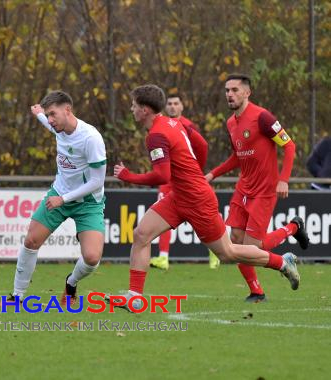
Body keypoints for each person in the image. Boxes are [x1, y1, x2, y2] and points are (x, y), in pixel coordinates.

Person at [110, 84, 300, 311]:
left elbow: (162, 175)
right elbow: (201, 144)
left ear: (145, 110)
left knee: (227, 253)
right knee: (141, 234)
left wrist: (127, 176)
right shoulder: (175, 123)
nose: (131, 109)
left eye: (133, 105)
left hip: (198, 200)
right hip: (179, 196)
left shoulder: (156, 135)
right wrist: (194, 172)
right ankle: (135, 297)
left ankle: (282, 262)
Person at [205, 73, 309, 303]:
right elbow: (237, 157)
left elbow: (289, 146)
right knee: (236, 242)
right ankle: (256, 291)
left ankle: (293, 228)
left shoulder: (262, 117)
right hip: (244, 188)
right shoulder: (231, 123)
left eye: (234, 90)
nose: (229, 94)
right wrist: (213, 174)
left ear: (247, 92)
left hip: (264, 190)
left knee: (253, 248)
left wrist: (284, 179)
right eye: (227, 90)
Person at [7, 90, 107, 306]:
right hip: (59, 194)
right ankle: (16, 297)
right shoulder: (58, 127)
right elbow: (48, 123)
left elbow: (98, 181)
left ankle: (71, 282)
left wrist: (64, 199)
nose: (50, 121)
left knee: (91, 258)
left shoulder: (91, 138)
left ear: (68, 110)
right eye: (48, 116)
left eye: (53, 114)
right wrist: (39, 114)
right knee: (31, 240)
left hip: (87, 202)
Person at [150, 94, 220, 270]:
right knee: (160, 213)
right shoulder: (161, 125)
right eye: (170, 104)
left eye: (176, 103)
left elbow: (201, 147)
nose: (172, 107)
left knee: (203, 219)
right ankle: (163, 257)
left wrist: (197, 170)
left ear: (182, 107)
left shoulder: (187, 125)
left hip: (187, 179)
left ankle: (215, 253)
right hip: (168, 180)